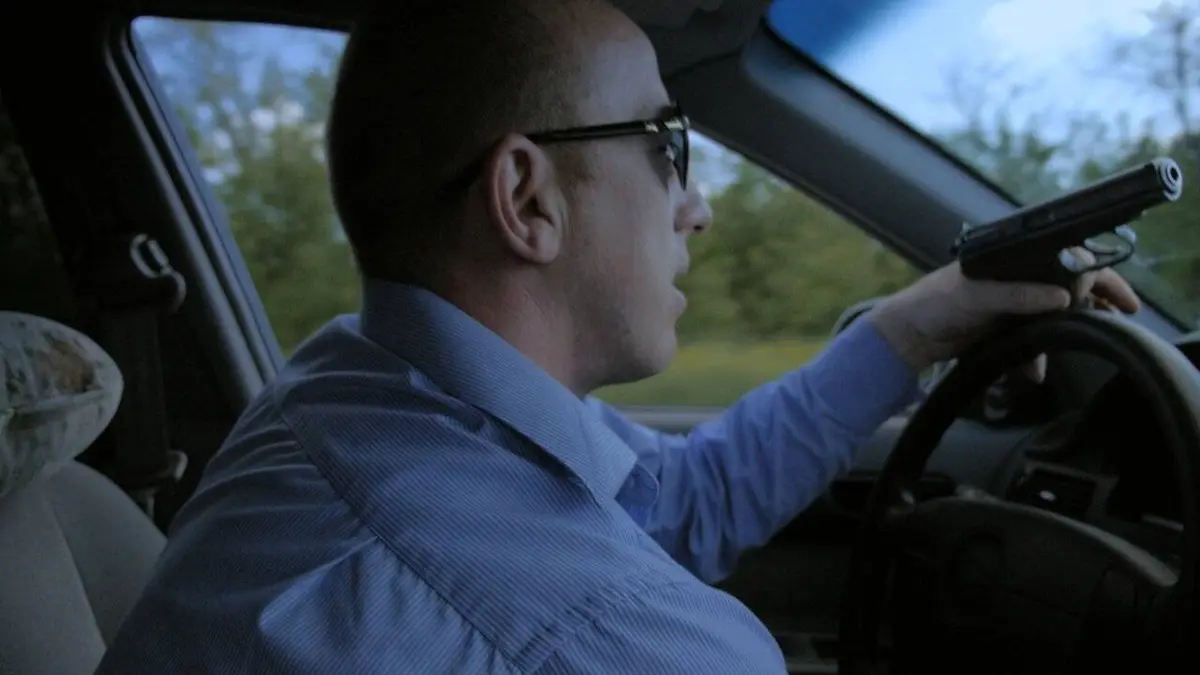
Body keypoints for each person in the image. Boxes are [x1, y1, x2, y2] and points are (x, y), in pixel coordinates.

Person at [95, 0, 1141, 673]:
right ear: (527, 199)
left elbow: (677, 503)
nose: (699, 208)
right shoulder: (615, 643)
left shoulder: (347, 390)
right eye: (667, 144)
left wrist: (913, 326)